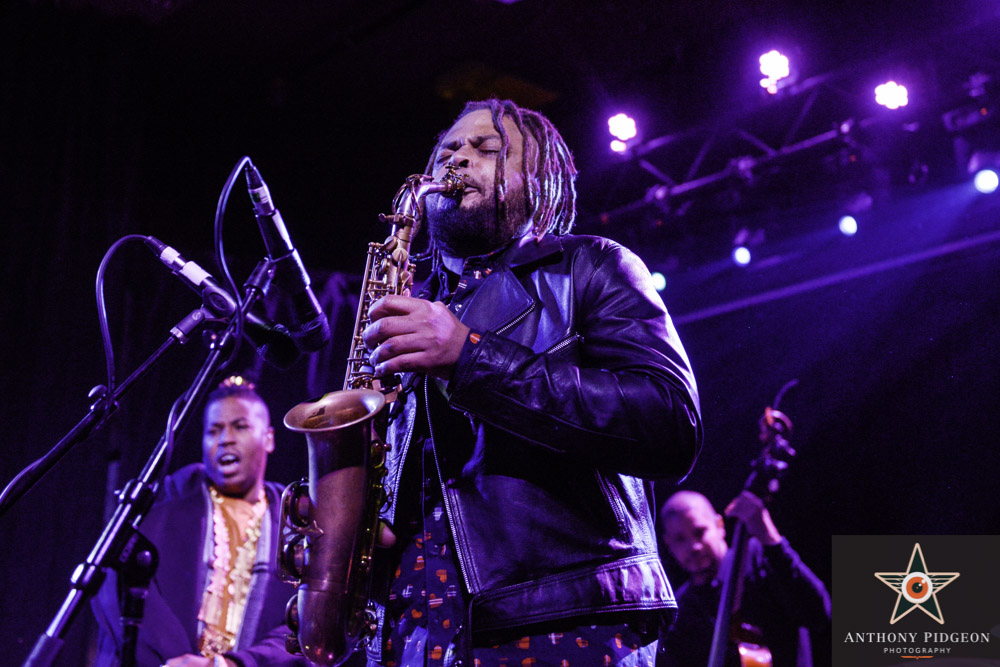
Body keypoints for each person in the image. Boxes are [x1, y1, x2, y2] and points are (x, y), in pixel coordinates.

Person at [359, 98, 703, 667]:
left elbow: (670, 424)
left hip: (562, 625)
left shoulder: (592, 266)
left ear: (539, 180)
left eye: (487, 148)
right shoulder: (406, 308)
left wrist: (468, 356)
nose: (458, 158)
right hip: (408, 635)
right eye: (447, 150)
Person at [92, 377, 307, 667]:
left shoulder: (295, 524)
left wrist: (231, 665)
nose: (226, 438)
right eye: (213, 430)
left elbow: (307, 624)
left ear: (268, 438)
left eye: (240, 426)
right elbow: (115, 586)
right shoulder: (164, 499)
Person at [657, 490, 831, 667]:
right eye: (680, 539)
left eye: (699, 532)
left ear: (719, 525)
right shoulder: (680, 611)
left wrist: (770, 539)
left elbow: (819, 613)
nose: (694, 546)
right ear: (668, 544)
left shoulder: (759, 556)